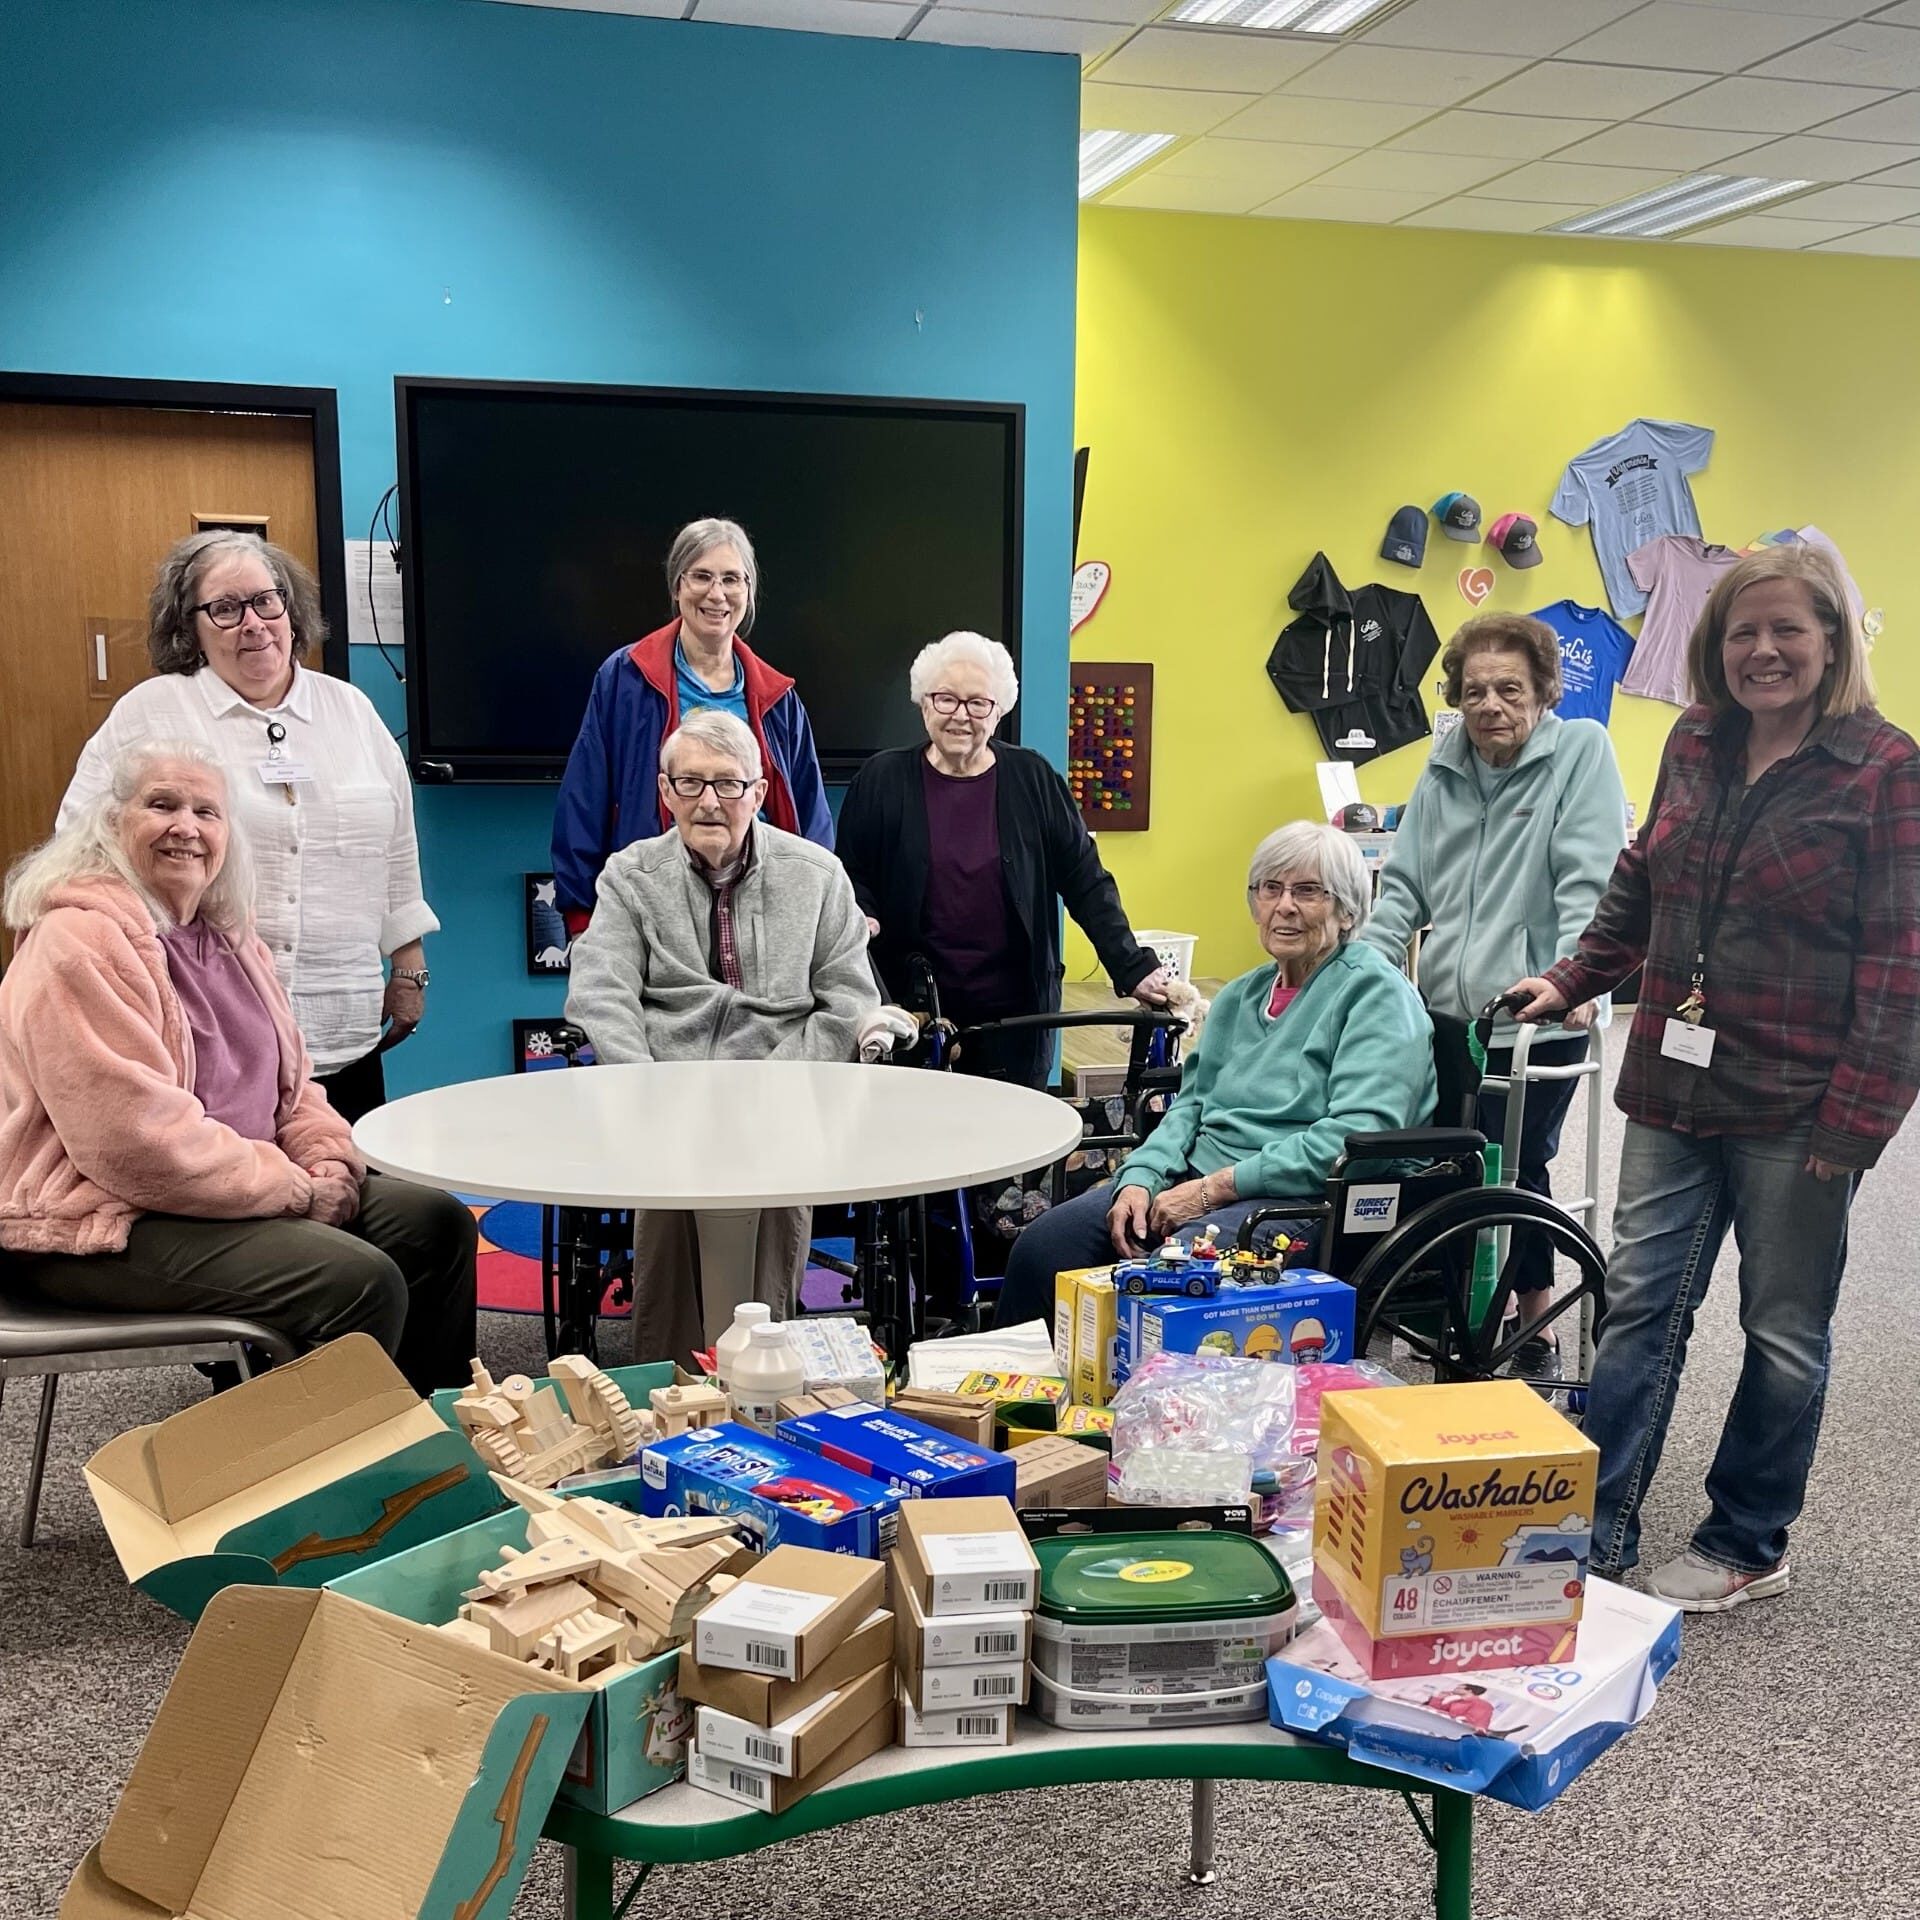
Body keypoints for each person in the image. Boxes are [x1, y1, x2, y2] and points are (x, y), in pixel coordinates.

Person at [1508, 544, 1920, 1611]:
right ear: (1713, 646)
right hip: (1673, 1083)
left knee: (1783, 1327)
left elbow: (1901, 966)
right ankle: (1595, 1529)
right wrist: (1573, 978)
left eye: (1788, 628)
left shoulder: (1884, 768)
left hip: (1801, 1103)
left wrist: (1856, 1127)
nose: (1765, 650)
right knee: (1642, 1298)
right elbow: (1645, 875)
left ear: (1833, 639)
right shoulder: (1694, 739)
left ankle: (1748, 1538)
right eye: (1743, 632)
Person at [0, 742, 476, 1393]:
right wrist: (293, 1189)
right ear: (111, 824)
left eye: (208, 811)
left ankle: (431, 1454)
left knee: (434, 1225)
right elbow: (134, 1142)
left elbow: (294, 1089)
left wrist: (327, 1166)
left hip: (230, 1190)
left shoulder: (228, 937)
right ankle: (308, 1484)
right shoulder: (77, 942)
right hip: (97, 1220)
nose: (187, 827)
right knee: (354, 1281)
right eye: (161, 804)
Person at [59, 532, 436, 1122]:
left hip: (343, 1021)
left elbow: (395, 849)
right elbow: (78, 852)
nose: (253, 624)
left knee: (355, 1198)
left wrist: (409, 966)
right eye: (225, 609)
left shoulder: (351, 711)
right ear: (191, 628)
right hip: (211, 1033)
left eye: (266, 601)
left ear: (291, 609)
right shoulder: (153, 711)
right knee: (251, 1201)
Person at [994, 822, 1435, 1328]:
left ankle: (1149, 1404)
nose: (1284, 906)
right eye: (1271, 888)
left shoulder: (1376, 995)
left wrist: (1213, 1190)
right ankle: (1030, 1400)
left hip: (1306, 1200)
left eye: (1308, 891)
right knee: (1044, 1248)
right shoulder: (1240, 996)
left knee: (1173, 1278)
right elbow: (1191, 1107)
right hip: (1201, 1181)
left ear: (1348, 909)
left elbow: (1352, 1139)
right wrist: (1139, 1178)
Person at [565, 709, 878, 1366]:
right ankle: (672, 1390)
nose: (709, 801)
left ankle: (766, 1374)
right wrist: (647, 1082)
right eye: (691, 783)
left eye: (728, 784)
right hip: (669, 1096)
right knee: (668, 1212)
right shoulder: (630, 876)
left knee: (775, 1200)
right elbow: (602, 988)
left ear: (758, 794)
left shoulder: (818, 875)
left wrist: (777, 1084)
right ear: (665, 791)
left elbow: (849, 999)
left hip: (783, 1094)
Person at [1362, 613, 1628, 1379]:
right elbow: (1403, 887)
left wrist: (1576, 975)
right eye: (1473, 690)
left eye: (1509, 688)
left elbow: (1591, 879)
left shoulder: (1580, 752)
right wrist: (1370, 977)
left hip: (1540, 1008)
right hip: (1445, 1008)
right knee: (1451, 1158)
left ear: (1544, 692)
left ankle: (1532, 1317)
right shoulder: (1443, 765)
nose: (1490, 705)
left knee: (1513, 1164)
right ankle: (1458, 1299)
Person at [836, 631, 1168, 1090]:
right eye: (946, 699)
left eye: (978, 704)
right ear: (923, 702)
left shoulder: (1033, 778)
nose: (961, 716)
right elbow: (850, 874)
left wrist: (1132, 966)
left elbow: (1085, 880)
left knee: (1016, 1142)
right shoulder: (881, 779)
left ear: (999, 711)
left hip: (1016, 1015)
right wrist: (864, 913)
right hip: (912, 1010)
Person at [551, 517, 832, 933]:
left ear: (748, 592)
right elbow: (585, 796)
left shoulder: (779, 698)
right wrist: (581, 917)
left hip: (762, 911)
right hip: (649, 904)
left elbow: (811, 816)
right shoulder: (624, 678)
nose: (717, 594)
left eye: (732, 579)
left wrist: (820, 908)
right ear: (677, 586)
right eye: (701, 576)